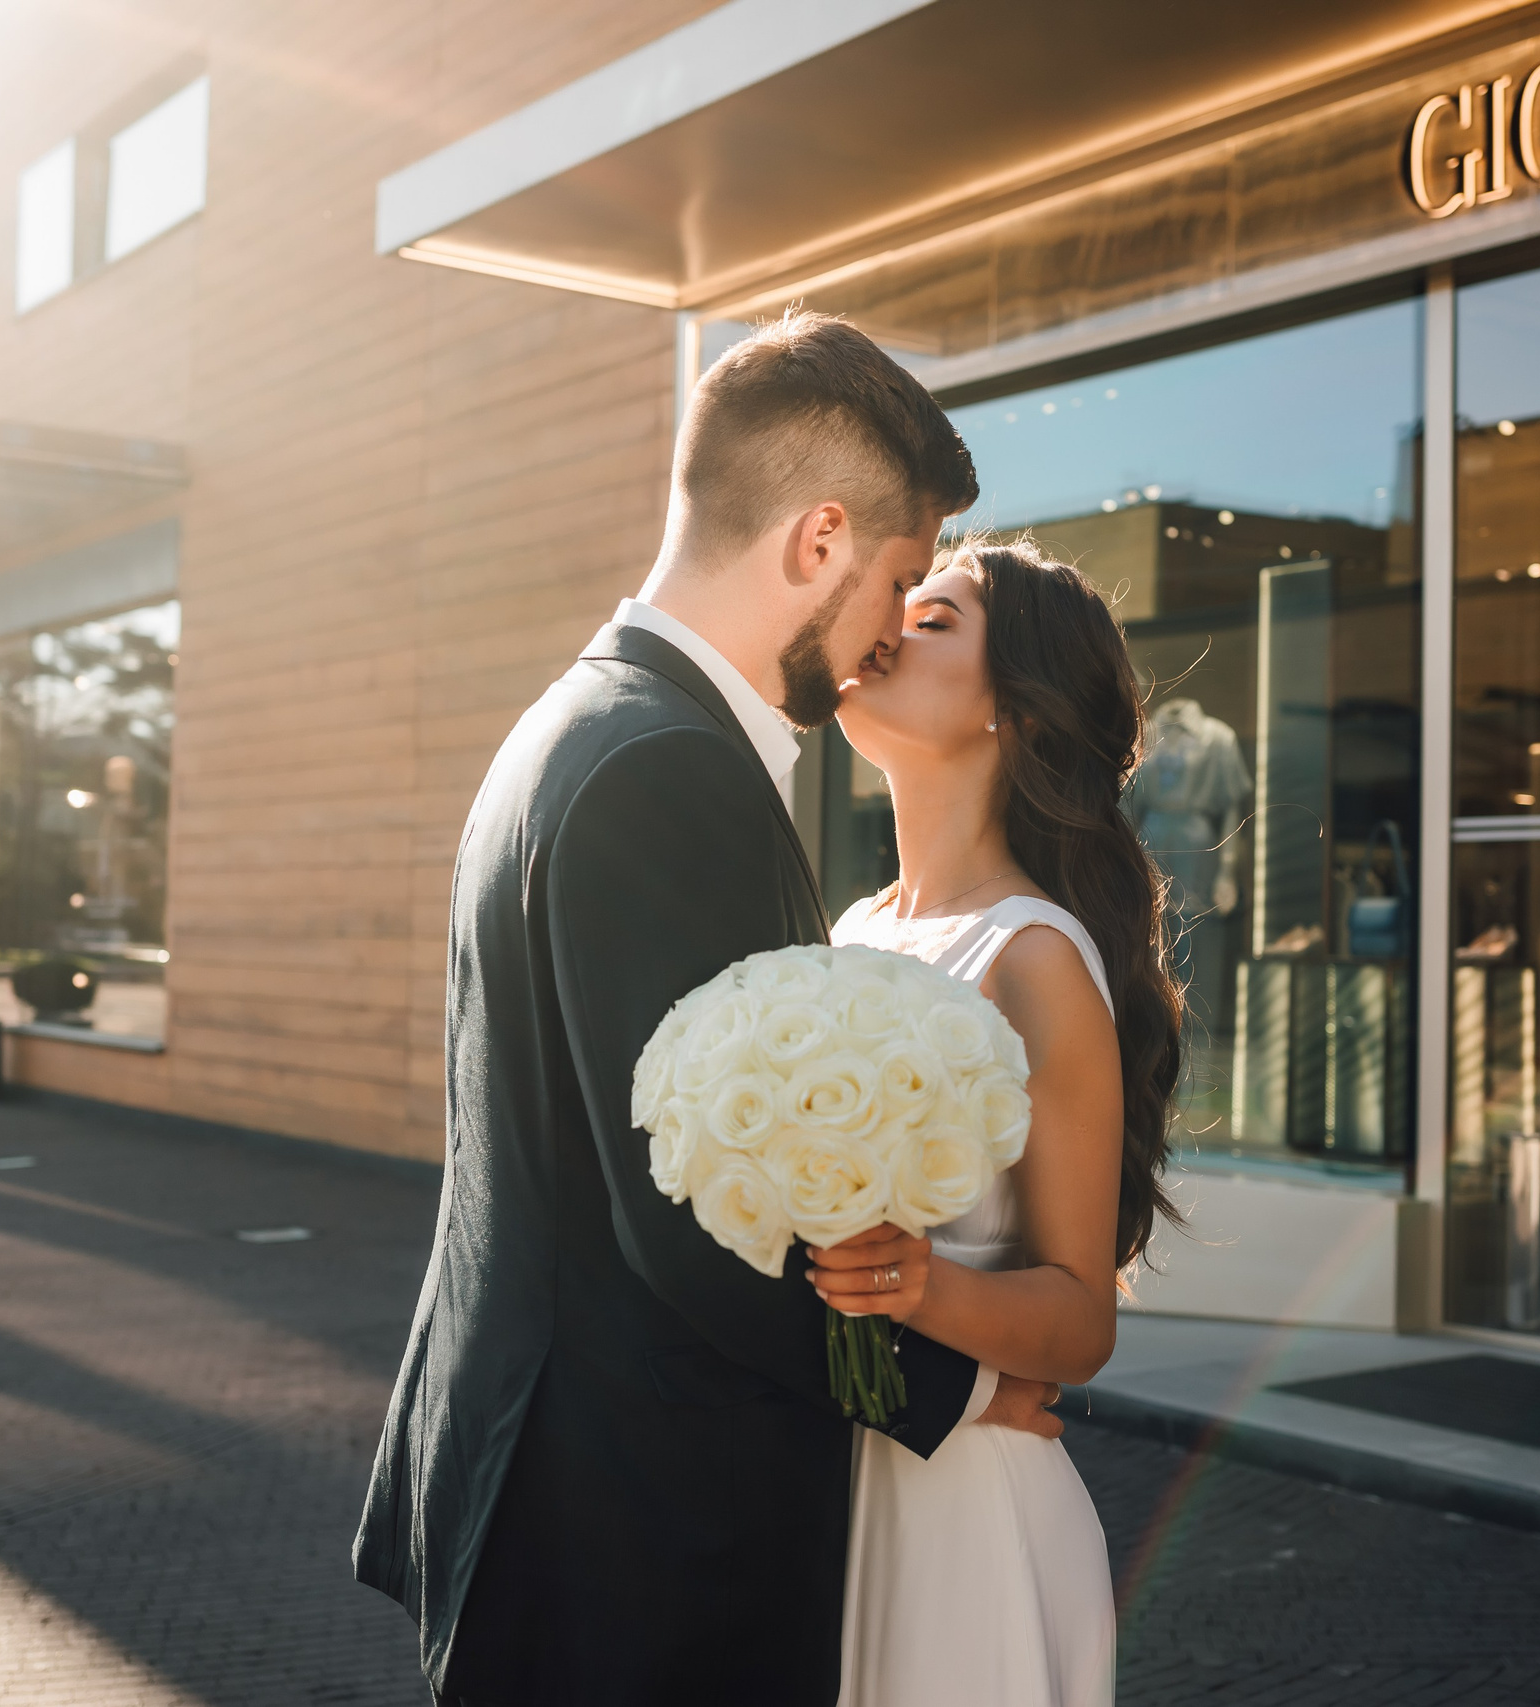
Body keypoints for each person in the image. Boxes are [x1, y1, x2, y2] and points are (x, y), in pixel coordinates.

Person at [351, 312, 1068, 1707]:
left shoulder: (571, 723)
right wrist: (958, 1395)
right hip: (637, 1544)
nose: (882, 638)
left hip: (552, 1498)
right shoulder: (671, 769)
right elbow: (693, 1223)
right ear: (816, 541)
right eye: (898, 578)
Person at [814, 536, 1185, 1707]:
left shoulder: (1032, 961)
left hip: (967, 1524)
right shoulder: (850, 928)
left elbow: (1079, 1322)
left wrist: (915, 1287)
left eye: (934, 619)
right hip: (839, 1479)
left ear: (1013, 713)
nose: (886, 627)